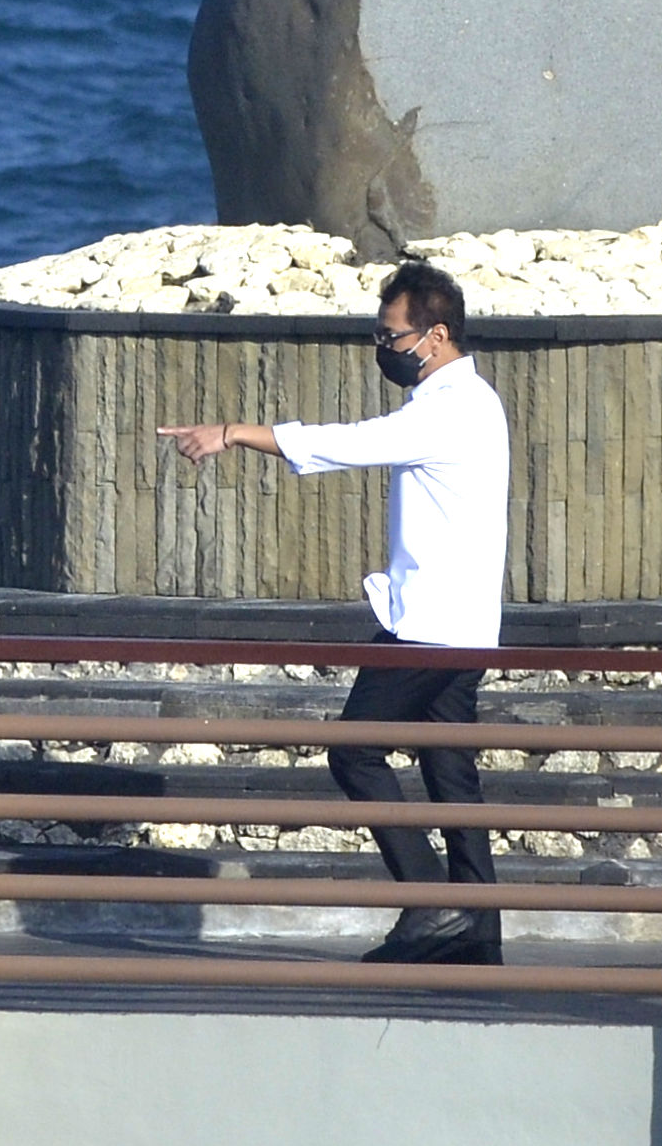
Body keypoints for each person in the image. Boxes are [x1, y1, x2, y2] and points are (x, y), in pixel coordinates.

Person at [156, 258, 512, 966]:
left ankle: (430, 904)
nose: (382, 349)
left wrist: (233, 431)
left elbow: (352, 443)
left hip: (428, 628)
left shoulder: (449, 410)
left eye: (391, 337)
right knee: (450, 776)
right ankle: (476, 933)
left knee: (354, 750)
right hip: (461, 625)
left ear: (434, 336)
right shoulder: (471, 401)